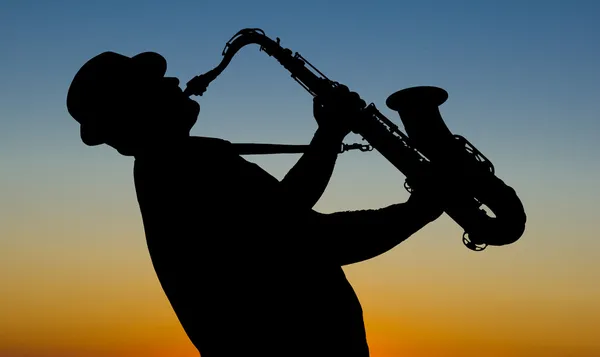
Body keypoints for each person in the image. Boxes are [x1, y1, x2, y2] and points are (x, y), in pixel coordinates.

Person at [66, 51, 445, 357]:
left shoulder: (175, 164)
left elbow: (290, 219)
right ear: (136, 106)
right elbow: (304, 233)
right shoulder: (182, 166)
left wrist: (330, 136)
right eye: (154, 83)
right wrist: (420, 210)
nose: (174, 81)